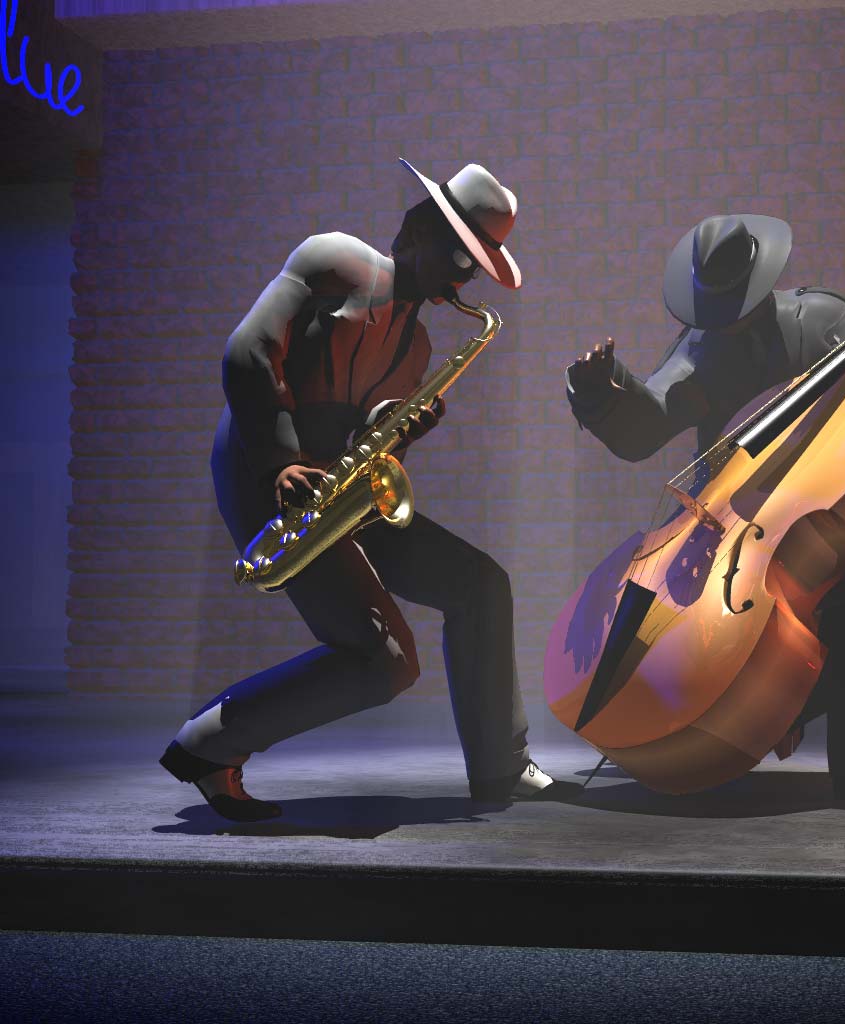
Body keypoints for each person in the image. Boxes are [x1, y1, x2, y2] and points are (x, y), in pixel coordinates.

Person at [161, 159, 564, 821]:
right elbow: (249, 351)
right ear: (418, 228)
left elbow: (367, 444)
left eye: (474, 268)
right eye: (458, 258)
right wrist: (280, 462)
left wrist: (398, 427)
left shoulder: (418, 345)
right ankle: (206, 745)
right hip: (268, 475)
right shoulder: (335, 260)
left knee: (481, 586)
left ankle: (502, 764)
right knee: (386, 661)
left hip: (337, 489)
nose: (461, 279)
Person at [565, 214, 845, 805]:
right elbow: (651, 420)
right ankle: (739, 719)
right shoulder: (699, 349)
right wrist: (604, 394)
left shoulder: (821, 319)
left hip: (813, 503)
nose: (722, 321)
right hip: (726, 518)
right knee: (691, 634)